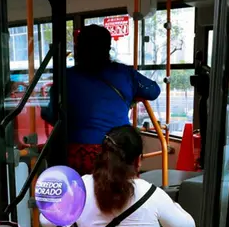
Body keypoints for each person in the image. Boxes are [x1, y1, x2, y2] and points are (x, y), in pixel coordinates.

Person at [42, 25, 161, 175]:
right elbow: (153, 90)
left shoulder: (66, 77)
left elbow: (52, 114)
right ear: (108, 48)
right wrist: (132, 98)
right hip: (115, 151)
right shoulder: (124, 73)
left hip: (73, 153)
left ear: (79, 48)